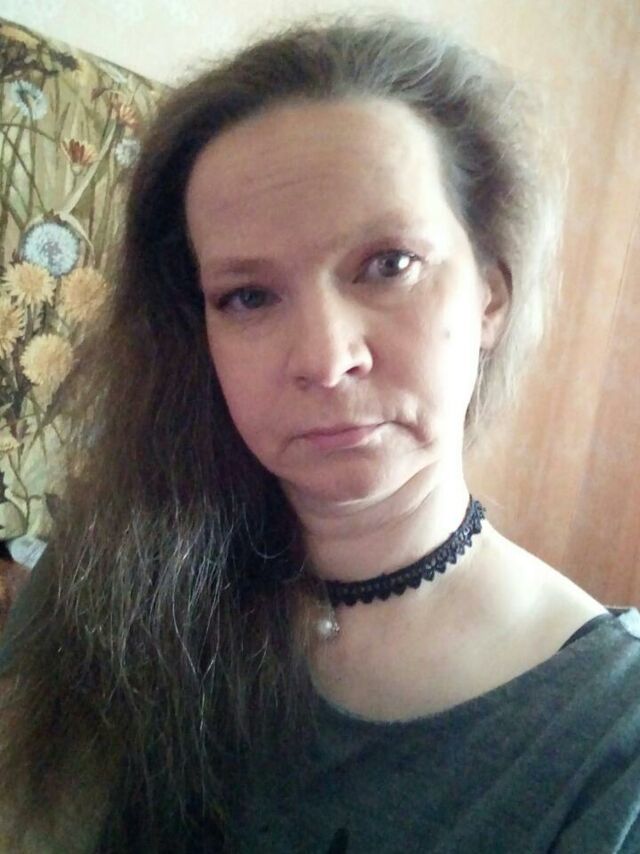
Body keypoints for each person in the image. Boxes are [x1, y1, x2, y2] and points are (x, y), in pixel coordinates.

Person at [1, 14, 639, 854]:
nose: (326, 359)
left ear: (489, 294)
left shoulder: (610, 741)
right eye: (248, 296)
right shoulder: (102, 580)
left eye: (388, 265)